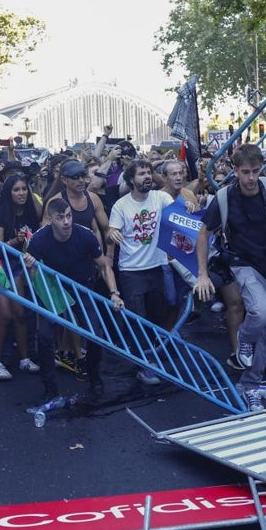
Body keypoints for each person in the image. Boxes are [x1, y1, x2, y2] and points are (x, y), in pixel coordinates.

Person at [194, 143, 266, 411]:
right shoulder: (224, 197)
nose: (251, 178)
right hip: (242, 263)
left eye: (256, 171)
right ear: (235, 171)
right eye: (245, 172)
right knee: (261, 310)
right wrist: (202, 274)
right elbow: (203, 233)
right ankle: (243, 340)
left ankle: (250, 384)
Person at [24, 199, 124, 403]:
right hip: (54, 288)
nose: (66, 222)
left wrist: (114, 293)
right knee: (44, 337)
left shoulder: (84, 235)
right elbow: (32, 278)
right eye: (60, 218)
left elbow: (104, 265)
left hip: (82, 287)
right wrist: (30, 266)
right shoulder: (39, 239)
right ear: (50, 219)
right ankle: (50, 388)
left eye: (69, 216)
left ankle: (94, 378)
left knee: (95, 336)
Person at [106, 158, 173, 385]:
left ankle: (150, 356)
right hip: (131, 271)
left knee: (156, 316)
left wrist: (189, 206)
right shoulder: (121, 205)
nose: (147, 177)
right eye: (141, 174)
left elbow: (178, 212)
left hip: (157, 267)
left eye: (149, 172)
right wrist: (112, 234)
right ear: (131, 180)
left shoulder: (160, 198)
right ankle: (143, 365)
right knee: (137, 318)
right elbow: (110, 232)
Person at [0, 172, 40, 380]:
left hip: (18, 267)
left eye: (24, 189)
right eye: (16, 190)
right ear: (9, 193)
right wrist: (16, 241)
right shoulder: (1, 214)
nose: (21, 193)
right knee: (5, 315)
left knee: (20, 313)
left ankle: (24, 359)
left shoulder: (30, 212)